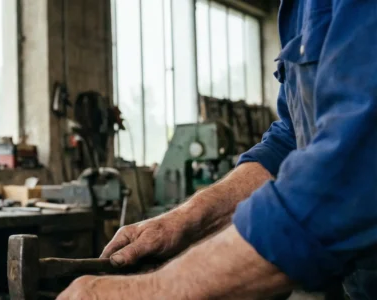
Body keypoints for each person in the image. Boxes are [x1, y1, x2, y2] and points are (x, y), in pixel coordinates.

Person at [58, 0, 376, 299]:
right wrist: (188, 219)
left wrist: (152, 290)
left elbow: (351, 170)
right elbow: (291, 139)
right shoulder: (295, 10)